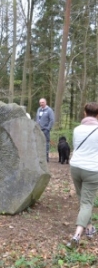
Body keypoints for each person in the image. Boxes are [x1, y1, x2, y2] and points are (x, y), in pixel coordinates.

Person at [66, 102, 98, 248]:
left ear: (85, 113)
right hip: (92, 169)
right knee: (86, 202)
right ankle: (77, 234)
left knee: (82, 199)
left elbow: (76, 147)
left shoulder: (77, 129)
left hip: (76, 167)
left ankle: (90, 228)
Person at [35, 98, 54, 162]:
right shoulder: (38, 110)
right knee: (38, 143)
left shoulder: (49, 110)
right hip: (38, 130)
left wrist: (48, 128)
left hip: (45, 130)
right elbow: (37, 119)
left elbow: (52, 120)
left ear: (45, 102)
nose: (41, 104)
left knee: (46, 143)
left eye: (42, 102)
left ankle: (46, 157)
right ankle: (39, 157)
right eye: (40, 103)